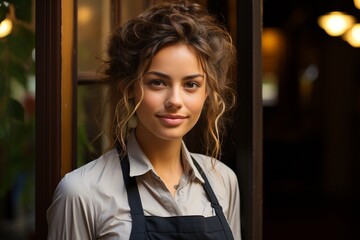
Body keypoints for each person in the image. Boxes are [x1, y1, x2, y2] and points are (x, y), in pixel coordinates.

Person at [47, 0, 241, 239]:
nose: (175, 100)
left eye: (191, 85)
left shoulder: (223, 181)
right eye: (157, 82)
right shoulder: (81, 192)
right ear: (129, 87)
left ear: (207, 92)